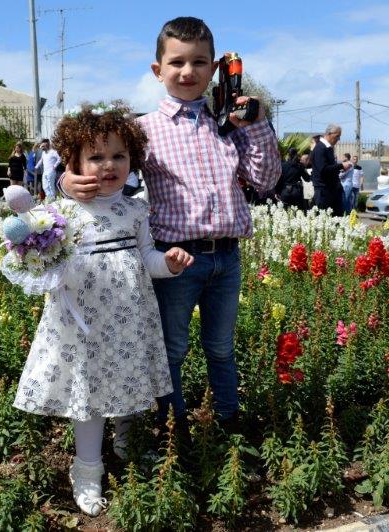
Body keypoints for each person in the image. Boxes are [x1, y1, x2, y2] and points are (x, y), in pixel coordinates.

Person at [61, 17, 280, 437]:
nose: (187, 71)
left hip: (227, 257)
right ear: (157, 70)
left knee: (221, 348)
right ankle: (172, 431)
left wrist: (257, 122)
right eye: (176, 62)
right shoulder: (144, 130)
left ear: (214, 69)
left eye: (199, 62)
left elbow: (265, 179)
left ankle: (228, 424)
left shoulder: (229, 126)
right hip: (175, 259)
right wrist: (67, 182)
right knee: (171, 350)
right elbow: (100, 164)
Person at [13, 105, 193, 516]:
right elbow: (37, 250)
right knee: (88, 393)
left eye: (118, 156)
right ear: (73, 163)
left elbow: (146, 257)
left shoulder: (136, 210)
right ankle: (88, 469)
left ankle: (128, 445)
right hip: (83, 322)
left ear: (133, 160)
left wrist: (169, 263)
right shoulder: (64, 211)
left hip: (129, 317)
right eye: (95, 156)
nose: (108, 165)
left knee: (129, 381)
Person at [311, 124, 350, 216]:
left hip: (331, 190)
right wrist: (341, 166)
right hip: (324, 192)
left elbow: (330, 169)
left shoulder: (328, 148)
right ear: (329, 133)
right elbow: (323, 170)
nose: (338, 139)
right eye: (337, 136)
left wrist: (341, 169)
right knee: (324, 220)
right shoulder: (320, 148)